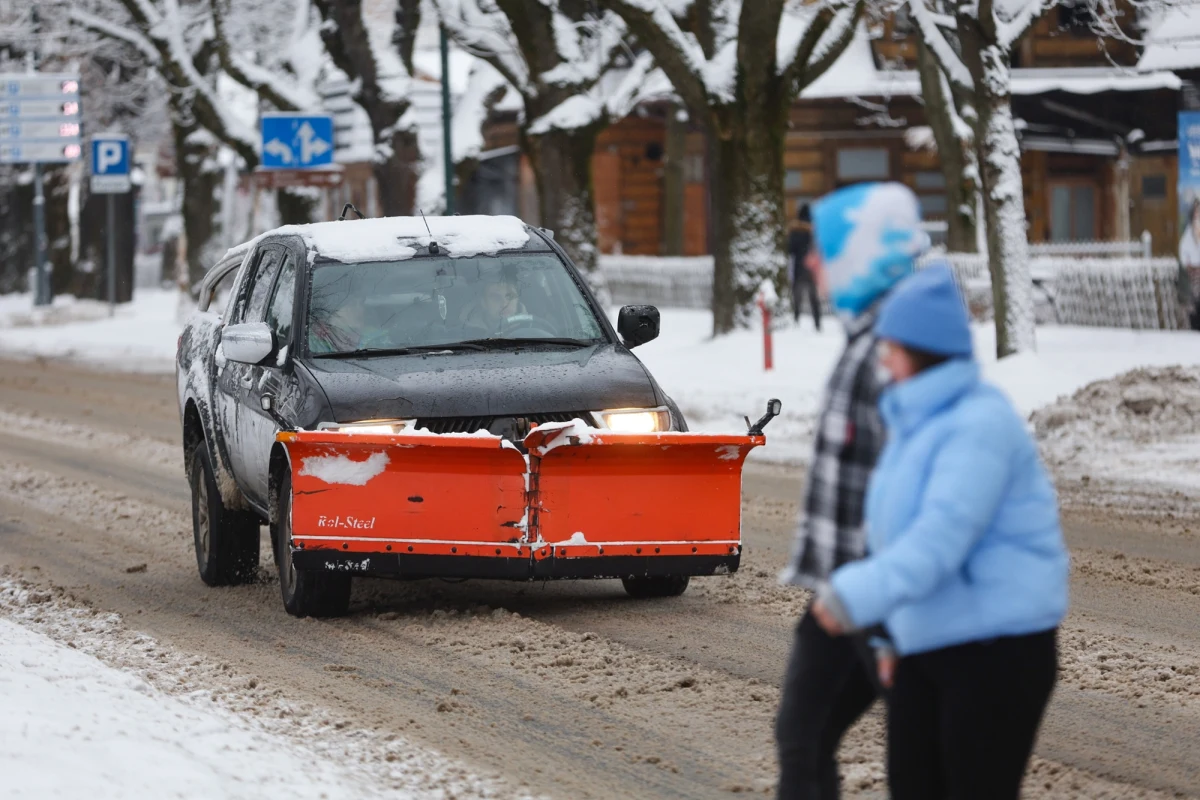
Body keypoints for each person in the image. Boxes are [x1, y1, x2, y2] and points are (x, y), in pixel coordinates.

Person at [811, 265, 1069, 800]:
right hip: (928, 645)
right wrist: (890, 633)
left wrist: (853, 597)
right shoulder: (913, 422)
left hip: (998, 651)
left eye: (891, 347)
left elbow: (939, 540)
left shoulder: (980, 423)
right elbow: (892, 537)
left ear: (922, 349)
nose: (881, 358)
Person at [775, 182, 929, 800]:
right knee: (801, 734)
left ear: (861, 255)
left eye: (825, 248)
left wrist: (893, 618)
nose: (810, 261)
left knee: (921, 764)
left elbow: (928, 491)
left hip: (886, 601)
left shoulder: (899, 351)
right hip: (840, 597)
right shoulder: (866, 339)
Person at [788, 204, 821, 330]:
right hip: (812, 269)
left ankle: (796, 321)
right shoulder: (815, 231)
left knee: (797, 298)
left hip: (798, 267)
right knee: (814, 298)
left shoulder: (794, 231)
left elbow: (790, 250)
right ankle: (817, 323)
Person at [461, 273, 526, 334]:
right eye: (496, 298)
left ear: (517, 300)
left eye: (510, 297)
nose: (504, 304)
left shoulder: (532, 330)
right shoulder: (464, 335)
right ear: (483, 303)